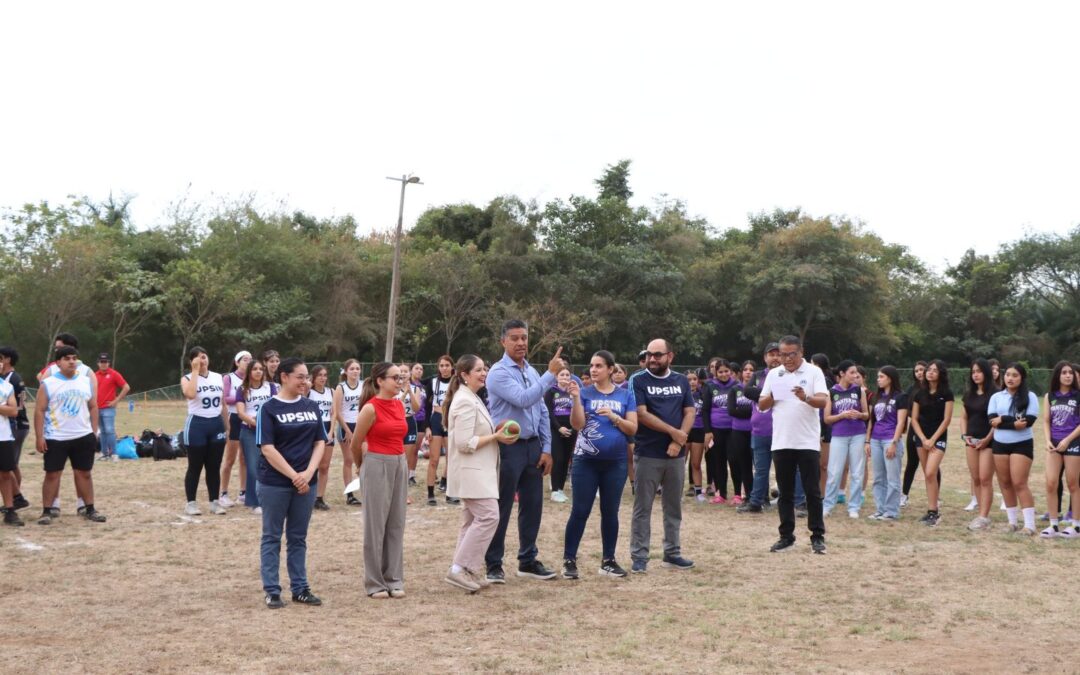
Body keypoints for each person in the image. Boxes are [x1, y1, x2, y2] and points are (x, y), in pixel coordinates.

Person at [483, 320, 562, 583]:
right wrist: (550, 375)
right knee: (502, 506)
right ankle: (493, 563)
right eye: (515, 338)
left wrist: (547, 448)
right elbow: (524, 399)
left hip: (532, 447)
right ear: (503, 342)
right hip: (507, 447)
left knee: (532, 505)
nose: (521, 343)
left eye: (524, 338)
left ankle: (527, 560)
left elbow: (540, 411)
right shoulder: (498, 373)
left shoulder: (531, 370)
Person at [255, 357, 326, 609]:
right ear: (284, 377)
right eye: (300, 376)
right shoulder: (268, 408)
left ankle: (300, 588)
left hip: (307, 482)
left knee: (298, 537)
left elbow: (320, 441)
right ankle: (272, 590)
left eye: (307, 377)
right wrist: (294, 475)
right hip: (275, 482)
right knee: (272, 536)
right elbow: (267, 448)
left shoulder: (311, 405)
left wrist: (307, 473)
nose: (305, 382)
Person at [443, 355, 514, 592]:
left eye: (485, 369)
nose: (484, 373)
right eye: (479, 370)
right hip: (471, 473)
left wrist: (496, 428)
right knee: (489, 516)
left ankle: (468, 570)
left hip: (479, 472)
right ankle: (458, 569)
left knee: (471, 521)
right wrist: (495, 437)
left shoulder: (472, 397)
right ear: (464, 375)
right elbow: (464, 442)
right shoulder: (464, 400)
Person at [564, 350, 637, 578]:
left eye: (598, 366)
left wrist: (614, 417)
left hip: (615, 463)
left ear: (611, 369)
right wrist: (576, 399)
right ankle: (569, 560)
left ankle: (608, 560)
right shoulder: (584, 393)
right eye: (592, 365)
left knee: (610, 512)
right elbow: (577, 424)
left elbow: (633, 429)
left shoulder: (626, 395)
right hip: (586, 462)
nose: (593, 370)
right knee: (580, 511)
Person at [629, 338, 696, 573]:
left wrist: (679, 441)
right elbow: (641, 413)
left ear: (670, 356)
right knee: (642, 508)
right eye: (649, 354)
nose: (652, 359)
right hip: (648, 452)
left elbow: (690, 411)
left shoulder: (680, 381)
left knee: (673, 506)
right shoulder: (638, 380)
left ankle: (672, 552)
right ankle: (639, 556)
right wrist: (674, 433)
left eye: (658, 354)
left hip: (676, 455)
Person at [758, 336, 828, 554]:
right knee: (785, 493)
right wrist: (773, 396)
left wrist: (804, 397)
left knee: (812, 491)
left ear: (801, 352)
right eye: (782, 354)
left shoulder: (813, 372)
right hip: (782, 441)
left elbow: (822, 401)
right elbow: (762, 405)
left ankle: (817, 536)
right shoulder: (774, 374)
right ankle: (786, 536)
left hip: (807, 441)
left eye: (791, 354)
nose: (786, 359)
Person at [349, 362, 409, 599]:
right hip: (376, 463)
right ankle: (374, 582)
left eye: (400, 377)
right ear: (380, 381)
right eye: (394, 377)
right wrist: (361, 466)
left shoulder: (399, 404)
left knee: (396, 523)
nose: (399, 381)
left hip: (399, 463)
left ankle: (393, 578)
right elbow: (355, 443)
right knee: (375, 526)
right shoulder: (370, 409)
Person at [34, 346, 105, 525]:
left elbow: (93, 406)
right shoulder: (48, 383)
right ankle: (47, 511)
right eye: (67, 358)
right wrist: (39, 436)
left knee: (84, 474)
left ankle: (90, 508)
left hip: (82, 436)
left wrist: (94, 431)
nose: (72, 361)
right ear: (58, 363)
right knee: (52, 474)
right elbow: (40, 410)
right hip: (56, 437)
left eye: (74, 358)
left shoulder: (85, 381)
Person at [989, 363, 1040, 535]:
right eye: (1008, 374)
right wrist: (1011, 422)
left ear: (1022, 378)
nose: (1010, 378)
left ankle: (1030, 525)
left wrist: (1002, 419)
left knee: (1019, 483)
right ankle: (1012, 522)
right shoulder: (996, 396)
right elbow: (992, 421)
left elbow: (1028, 422)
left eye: (1015, 375)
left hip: (1022, 444)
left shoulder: (1030, 396)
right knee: (1005, 483)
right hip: (999, 444)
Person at [180, 346, 229, 516]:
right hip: (197, 425)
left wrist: (227, 426)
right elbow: (191, 394)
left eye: (205, 356)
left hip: (216, 424)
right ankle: (191, 503)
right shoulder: (187, 378)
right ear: (192, 361)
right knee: (195, 466)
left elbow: (223, 403)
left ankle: (214, 502)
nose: (203, 360)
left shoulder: (217, 377)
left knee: (214, 466)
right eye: (199, 358)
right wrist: (194, 371)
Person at [822, 360, 870, 518]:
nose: (855, 375)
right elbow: (827, 419)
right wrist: (842, 415)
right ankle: (828, 505)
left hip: (858, 434)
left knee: (857, 471)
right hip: (838, 435)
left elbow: (866, 414)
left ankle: (854, 507)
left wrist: (859, 415)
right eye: (852, 372)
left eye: (856, 372)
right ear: (842, 373)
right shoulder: (832, 392)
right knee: (834, 471)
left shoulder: (859, 391)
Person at [738, 343, 781, 514]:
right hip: (759, 431)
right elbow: (748, 392)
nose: (775, 357)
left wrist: (763, 393)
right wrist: (771, 394)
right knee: (761, 470)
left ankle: (791, 502)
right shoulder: (756, 376)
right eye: (771, 354)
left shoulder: (787, 375)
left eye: (778, 354)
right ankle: (756, 502)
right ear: (765, 358)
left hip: (781, 431)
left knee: (785, 470)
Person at [910, 360, 953, 526]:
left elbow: (947, 419)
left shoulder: (947, 393)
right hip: (921, 438)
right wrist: (923, 439)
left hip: (938, 438)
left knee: (930, 472)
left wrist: (933, 439)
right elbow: (913, 419)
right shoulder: (919, 394)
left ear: (941, 373)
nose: (930, 372)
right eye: (929, 370)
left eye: (934, 370)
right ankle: (932, 511)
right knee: (929, 476)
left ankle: (934, 512)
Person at [1042, 361, 1080, 537]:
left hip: (1073, 443)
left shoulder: (1078, 395)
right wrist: (1048, 440)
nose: (1068, 375)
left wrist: (1067, 440)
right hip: (1054, 444)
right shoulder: (1050, 396)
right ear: (1057, 375)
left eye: (1070, 372)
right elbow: (1046, 420)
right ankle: (1054, 524)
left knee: (1073, 484)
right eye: (1064, 372)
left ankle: (1076, 525)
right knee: (1051, 483)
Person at [866, 366, 908, 521]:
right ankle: (880, 509)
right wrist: (867, 440)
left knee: (892, 478)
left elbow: (901, 421)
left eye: (881, 376)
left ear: (890, 378)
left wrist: (894, 443)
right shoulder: (876, 397)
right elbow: (871, 421)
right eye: (878, 376)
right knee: (878, 478)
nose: (878, 379)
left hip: (890, 439)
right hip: (876, 440)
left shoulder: (901, 396)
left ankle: (891, 512)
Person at [236, 359, 277, 513]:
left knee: (270, 464)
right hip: (249, 431)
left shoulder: (271, 387)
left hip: (269, 430)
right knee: (253, 466)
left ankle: (270, 498)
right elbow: (240, 412)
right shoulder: (243, 389)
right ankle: (255, 502)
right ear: (249, 372)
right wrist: (255, 423)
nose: (258, 371)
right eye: (255, 369)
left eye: (261, 369)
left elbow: (275, 406)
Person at [962, 359, 996, 530]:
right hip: (971, 441)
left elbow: (996, 421)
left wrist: (988, 438)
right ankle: (980, 512)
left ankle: (984, 516)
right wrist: (964, 435)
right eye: (973, 371)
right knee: (975, 478)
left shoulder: (995, 394)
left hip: (989, 441)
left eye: (979, 371)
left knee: (985, 479)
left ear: (986, 373)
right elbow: (964, 417)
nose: (975, 374)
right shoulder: (969, 395)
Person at [0, 347, 31, 513]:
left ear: (7, 360)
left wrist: (6, 409)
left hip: (16, 425)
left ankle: (16, 498)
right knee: (9, 465)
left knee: (10, 465)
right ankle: (15, 497)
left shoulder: (13, 379)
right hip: (9, 424)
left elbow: (17, 407)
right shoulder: (4, 378)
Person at [701, 359, 736, 504]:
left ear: (731, 372)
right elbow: (705, 409)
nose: (723, 374)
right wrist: (708, 431)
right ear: (715, 372)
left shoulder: (736, 385)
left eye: (726, 371)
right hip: (716, 429)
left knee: (734, 461)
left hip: (734, 429)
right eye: (720, 371)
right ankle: (721, 494)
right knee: (718, 461)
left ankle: (738, 494)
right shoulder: (710, 386)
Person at [220, 351, 252, 508]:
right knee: (230, 459)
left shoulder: (253, 379)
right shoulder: (229, 378)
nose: (248, 362)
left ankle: (243, 493)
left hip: (248, 419)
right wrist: (241, 396)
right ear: (237, 362)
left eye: (250, 360)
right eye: (245, 359)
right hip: (233, 418)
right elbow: (224, 397)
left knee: (244, 459)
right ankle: (223, 493)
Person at [424, 355, 455, 505]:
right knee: (434, 459)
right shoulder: (432, 382)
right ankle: (430, 493)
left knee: (452, 458)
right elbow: (427, 406)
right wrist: (427, 427)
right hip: (436, 419)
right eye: (441, 365)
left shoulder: (457, 382)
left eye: (447, 365)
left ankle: (450, 492)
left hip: (452, 420)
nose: (444, 368)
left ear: (452, 366)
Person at [332, 359, 363, 506]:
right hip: (347, 426)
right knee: (349, 460)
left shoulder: (363, 385)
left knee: (365, 459)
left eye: (357, 368)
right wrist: (347, 431)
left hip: (361, 424)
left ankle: (366, 490)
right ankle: (350, 494)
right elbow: (337, 412)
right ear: (346, 371)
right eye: (352, 369)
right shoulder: (341, 387)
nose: (355, 371)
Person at [306, 366, 335, 511]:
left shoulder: (331, 391)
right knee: (312, 465)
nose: (323, 378)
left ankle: (319, 497)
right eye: (320, 375)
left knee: (324, 466)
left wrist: (331, 431)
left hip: (327, 427)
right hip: (312, 427)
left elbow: (334, 413)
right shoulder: (308, 392)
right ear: (314, 377)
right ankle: (308, 495)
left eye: (325, 375)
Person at [900, 361, 930, 507]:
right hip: (914, 427)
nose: (919, 372)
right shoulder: (912, 389)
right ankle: (904, 495)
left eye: (922, 370)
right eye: (916, 370)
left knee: (930, 465)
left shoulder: (933, 388)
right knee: (912, 463)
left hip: (929, 428)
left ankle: (934, 496)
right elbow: (906, 409)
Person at [545, 367, 576, 504]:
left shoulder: (573, 392)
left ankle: (561, 489)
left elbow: (577, 409)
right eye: (562, 374)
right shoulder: (551, 392)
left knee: (566, 460)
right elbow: (549, 413)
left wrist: (572, 428)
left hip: (571, 429)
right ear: (556, 377)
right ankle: (554, 490)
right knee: (558, 459)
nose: (565, 377)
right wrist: (559, 428)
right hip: (556, 429)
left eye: (567, 374)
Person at [726, 362, 756, 505]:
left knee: (759, 465)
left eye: (751, 370)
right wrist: (751, 412)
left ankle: (762, 496)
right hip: (738, 432)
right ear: (741, 373)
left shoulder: (759, 390)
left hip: (756, 431)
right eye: (745, 370)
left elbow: (761, 409)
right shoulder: (735, 390)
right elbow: (731, 410)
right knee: (744, 465)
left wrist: (742, 412)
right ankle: (748, 495)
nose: (748, 372)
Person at [94, 353, 129, 462]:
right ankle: (104, 454)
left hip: (108, 408)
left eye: (105, 362)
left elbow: (126, 387)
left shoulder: (114, 374)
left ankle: (114, 454)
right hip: (97, 408)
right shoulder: (94, 375)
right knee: (103, 432)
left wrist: (116, 400)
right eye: (101, 362)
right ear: (98, 363)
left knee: (109, 430)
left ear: (108, 363)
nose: (103, 364)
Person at [0, 371, 22, 525]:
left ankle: (10, 511)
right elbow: (7, 409)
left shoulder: (7, 386)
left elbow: (13, 411)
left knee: (5, 475)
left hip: (3, 436)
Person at [684, 369, 706, 501]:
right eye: (689, 379)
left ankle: (698, 492)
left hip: (699, 430)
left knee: (696, 463)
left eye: (694, 379)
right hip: (685, 430)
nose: (692, 382)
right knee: (680, 463)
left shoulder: (703, 394)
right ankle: (675, 491)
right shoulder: (681, 395)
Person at [408, 363, 428, 485]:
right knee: (407, 449)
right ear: (411, 371)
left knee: (415, 449)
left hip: (421, 420)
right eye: (416, 368)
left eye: (421, 369)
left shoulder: (424, 387)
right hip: (410, 418)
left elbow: (426, 405)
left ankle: (411, 475)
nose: (419, 371)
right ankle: (403, 473)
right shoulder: (407, 386)